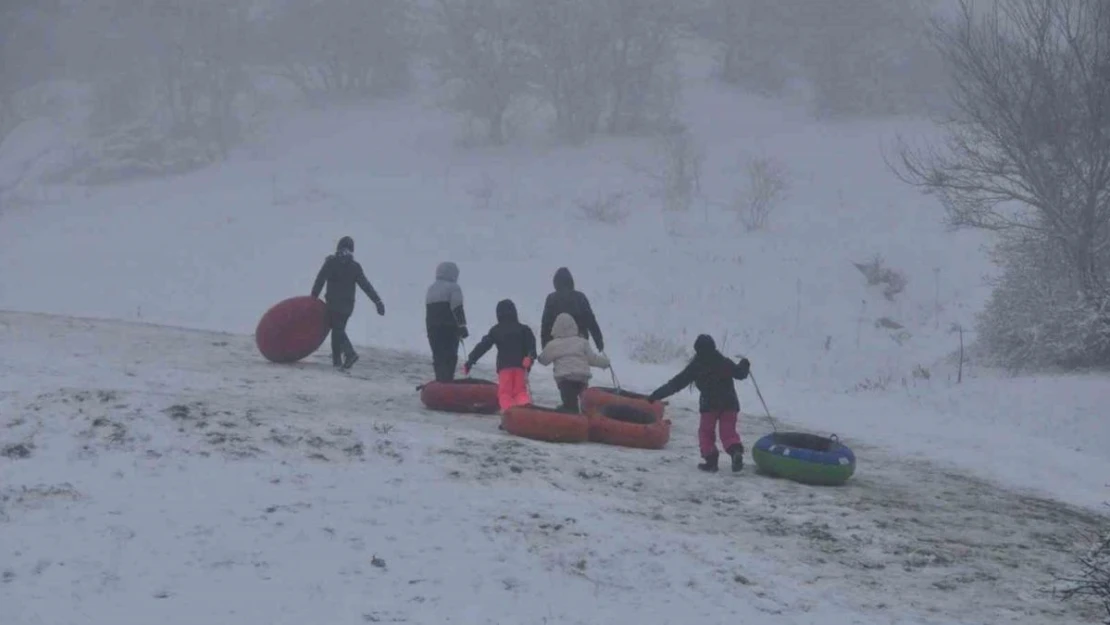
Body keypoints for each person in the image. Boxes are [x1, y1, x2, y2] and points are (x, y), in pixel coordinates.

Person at [647, 334, 751, 473]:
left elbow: (676, 384)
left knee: (706, 433)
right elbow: (740, 374)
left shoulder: (696, 366)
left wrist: (656, 395)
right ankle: (735, 453)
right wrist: (745, 364)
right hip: (729, 403)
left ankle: (711, 461)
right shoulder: (724, 362)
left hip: (709, 405)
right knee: (728, 433)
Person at [311, 236, 385, 369]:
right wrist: (377, 301)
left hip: (333, 303)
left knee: (337, 330)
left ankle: (349, 354)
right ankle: (337, 361)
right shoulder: (354, 266)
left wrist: (313, 298)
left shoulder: (331, 262)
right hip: (347, 306)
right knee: (337, 330)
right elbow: (365, 285)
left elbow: (320, 280)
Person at [463, 299, 537, 411]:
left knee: (505, 394)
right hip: (520, 368)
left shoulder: (496, 330)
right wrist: (530, 358)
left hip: (505, 368)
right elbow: (531, 347)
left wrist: (470, 360)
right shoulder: (524, 329)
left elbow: (483, 346)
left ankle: (510, 416)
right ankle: (523, 415)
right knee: (520, 392)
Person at [536, 312, 610, 412]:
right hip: (582, 378)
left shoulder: (553, 345)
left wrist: (537, 358)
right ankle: (586, 418)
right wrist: (605, 363)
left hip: (565, 379)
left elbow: (544, 360)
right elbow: (592, 359)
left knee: (570, 404)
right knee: (584, 402)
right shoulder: (582, 342)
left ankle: (570, 417)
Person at [540, 267, 603, 352]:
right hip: (580, 340)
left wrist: (545, 345)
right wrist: (598, 341)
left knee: (562, 364)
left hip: (559, 342)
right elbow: (591, 321)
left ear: (555, 283)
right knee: (580, 363)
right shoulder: (580, 297)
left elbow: (546, 324)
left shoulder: (551, 299)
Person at [425, 261, 468, 382]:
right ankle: (447, 382)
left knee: (438, 357)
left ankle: (440, 381)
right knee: (450, 357)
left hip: (432, 328)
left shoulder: (431, 288)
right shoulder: (454, 288)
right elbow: (457, 307)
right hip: (449, 328)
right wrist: (462, 326)